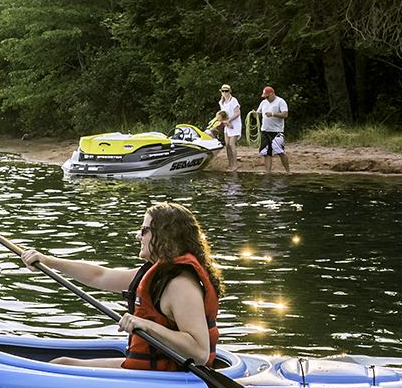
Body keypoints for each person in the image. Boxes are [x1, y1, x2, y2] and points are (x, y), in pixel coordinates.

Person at [17, 202, 223, 370]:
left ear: (165, 236)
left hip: (168, 378)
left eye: (144, 230)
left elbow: (199, 352)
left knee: (59, 367)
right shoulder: (160, 276)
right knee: (60, 363)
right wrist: (49, 262)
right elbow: (100, 276)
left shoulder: (181, 285)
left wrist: (147, 325)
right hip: (154, 372)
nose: (138, 236)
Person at [256, 85, 290, 172]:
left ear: (272, 94)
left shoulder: (280, 101)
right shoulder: (263, 103)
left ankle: (288, 171)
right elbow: (258, 113)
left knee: (280, 152)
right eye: (265, 97)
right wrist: (255, 114)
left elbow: (285, 114)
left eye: (267, 97)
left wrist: (273, 114)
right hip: (265, 130)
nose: (266, 98)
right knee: (266, 153)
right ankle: (268, 173)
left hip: (276, 131)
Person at [213, 83, 242, 169]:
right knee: (227, 144)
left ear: (229, 91)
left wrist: (229, 121)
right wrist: (215, 120)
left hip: (234, 124)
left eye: (226, 91)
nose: (225, 93)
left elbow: (237, 113)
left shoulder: (233, 100)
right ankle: (230, 164)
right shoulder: (221, 102)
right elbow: (221, 114)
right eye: (223, 91)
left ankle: (235, 165)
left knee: (232, 143)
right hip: (226, 125)